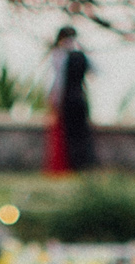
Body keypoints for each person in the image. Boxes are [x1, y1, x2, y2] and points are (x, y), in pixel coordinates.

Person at [45, 26, 95, 174]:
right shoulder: (81, 56)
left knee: (70, 135)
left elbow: (58, 82)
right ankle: (81, 165)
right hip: (79, 97)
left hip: (68, 100)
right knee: (79, 135)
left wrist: (54, 101)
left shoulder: (59, 55)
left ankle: (73, 166)